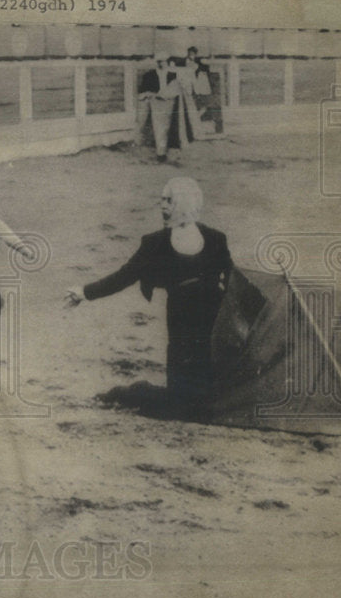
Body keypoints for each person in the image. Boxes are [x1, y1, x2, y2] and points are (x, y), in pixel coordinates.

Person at [65, 177, 233, 418]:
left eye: (169, 200)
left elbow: (233, 281)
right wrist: (85, 292)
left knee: (205, 395)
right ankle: (131, 392)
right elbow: (125, 276)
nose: (162, 205)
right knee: (181, 401)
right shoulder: (155, 243)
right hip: (181, 317)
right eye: (161, 200)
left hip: (212, 317)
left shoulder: (216, 239)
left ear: (185, 202)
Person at [137, 52, 181, 163]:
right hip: (156, 105)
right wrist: (150, 95)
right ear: (157, 63)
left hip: (170, 105)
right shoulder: (149, 75)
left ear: (168, 62)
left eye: (164, 61)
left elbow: (177, 91)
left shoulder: (173, 75)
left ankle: (168, 152)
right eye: (160, 61)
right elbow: (141, 93)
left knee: (169, 128)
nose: (162, 64)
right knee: (159, 129)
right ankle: (160, 153)